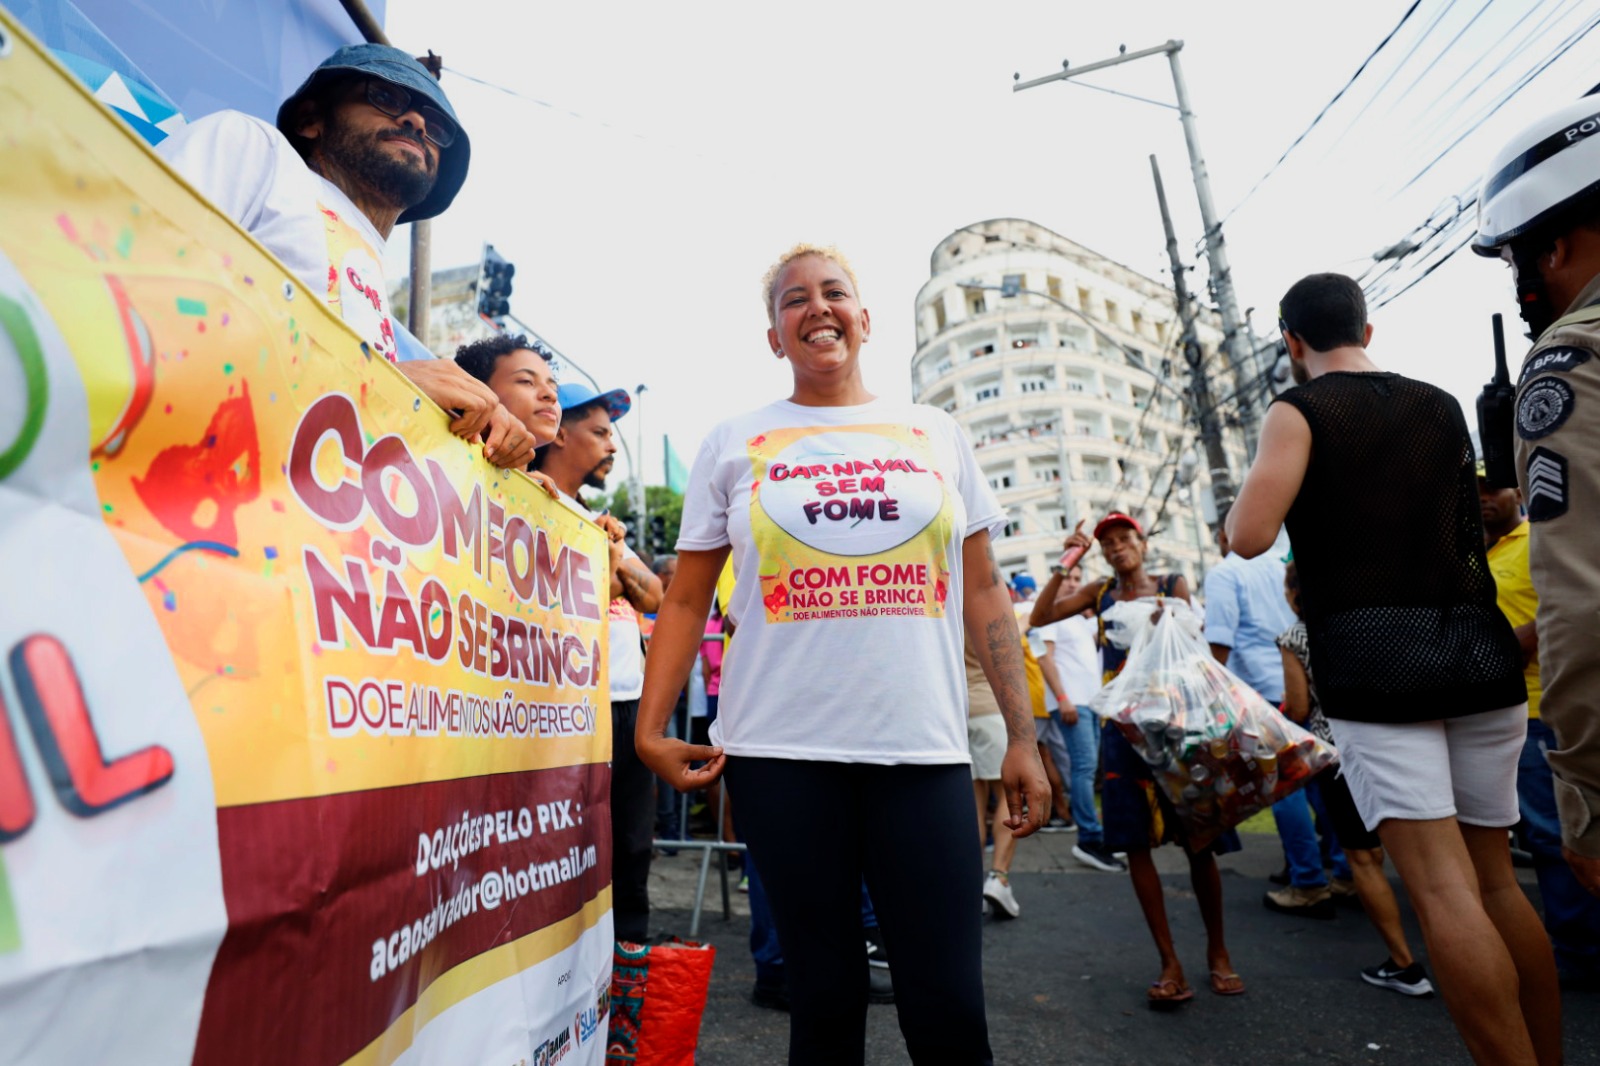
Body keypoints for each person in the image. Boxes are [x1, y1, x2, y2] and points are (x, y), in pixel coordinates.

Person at [637, 243, 1048, 1065]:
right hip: (779, 753)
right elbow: (684, 600)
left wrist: (1023, 735)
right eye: (794, 300)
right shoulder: (734, 441)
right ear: (774, 337)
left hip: (922, 747)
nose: (817, 308)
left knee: (949, 1007)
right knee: (822, 1003)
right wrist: (650, 731)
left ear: (865, 319)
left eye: (834, 293)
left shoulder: (936, 433)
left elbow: (982, 591)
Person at [1226, 273, 1559, 1066]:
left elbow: (1248, 534)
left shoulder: (1299, 409)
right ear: (1367, 330)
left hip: (1378, 665)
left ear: (1292, 342)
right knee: (1497, 882)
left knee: (1442, 890)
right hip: (1478, 652)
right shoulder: (1439, 404)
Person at [158, 44, 534, 471]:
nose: (416, 123)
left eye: (436, 128)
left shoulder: (372, 292)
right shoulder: (253, 148)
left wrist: (484, 461)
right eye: (386, 97)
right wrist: (379, 382)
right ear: (310, 120)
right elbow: (132, 279)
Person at [1031, 513, 1243, 1008]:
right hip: (1122, 735)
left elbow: (1194, 653)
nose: (1116, 547)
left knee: (1199, 843)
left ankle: (1218, 951)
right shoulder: (1101, 593)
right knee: (1135, 846)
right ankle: (1169, 962)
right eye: (1107, 543)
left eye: (1124, 538)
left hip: (1175, 730)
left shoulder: (1172, 585)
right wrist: (1068, 560)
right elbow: (1039, 619)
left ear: (1143, 544)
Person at [1473, 98, 1600, 902]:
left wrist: (1589, 803)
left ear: (1552, 247)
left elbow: (1583, 602)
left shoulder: (1573, 357)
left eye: (1516, 261)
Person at [531, 382, 663, 943]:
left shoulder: (597, 520)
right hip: (571, 710)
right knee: (568, 850)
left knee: (632, 847)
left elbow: (655, 594)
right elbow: (573, 597)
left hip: (627, 707)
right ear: (560, 433)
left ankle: (628, 974)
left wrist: (616, 564)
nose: (612, 446)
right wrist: (612, 573)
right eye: (601, 432)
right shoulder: (530, 499)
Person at [1277, 561, 1435, 997]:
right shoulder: (1375, 624)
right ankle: (1456, 952)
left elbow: (1298, 708)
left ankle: (1404, 964)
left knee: (1364, 860)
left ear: (1296, 593)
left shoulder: (1296, 637)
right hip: (1400, 744)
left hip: (1341, 756)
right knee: (1424, 856)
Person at [1479, 466, 1600, 984]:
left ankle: (1579, 953)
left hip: (1540, 713)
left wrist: (1504, 646)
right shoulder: (1478, 553)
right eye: (1475, 490)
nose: (1483, 498)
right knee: (1535, 836)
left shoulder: (1540, 541)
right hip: (1497, 716)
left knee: (1555, 838)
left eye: (1493, 488)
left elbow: (1565, 609)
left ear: (1518, 492)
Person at [1204, 527, 1331, 918]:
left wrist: (1209, 697)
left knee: (1283, 787)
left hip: (1260, 695)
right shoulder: (1281, 563)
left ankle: (1308, 880)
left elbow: (1219, 643)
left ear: (1224, 537)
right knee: (1319, 782)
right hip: (1304, 683)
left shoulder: (1225, 573)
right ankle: (1342, 869)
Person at [1037, 563, 1126, 873]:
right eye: (1067, 578)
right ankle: (1089, 838)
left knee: (1089, 768)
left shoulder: (1076, 617)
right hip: (1071, 702)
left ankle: (1098, 834)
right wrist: (1062, 698)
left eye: (1078, 578)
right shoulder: (1051, 615)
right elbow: (1044, 658)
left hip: (1090, 702)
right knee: (1084, 767)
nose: (1073, 583)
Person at [1011, 574, 1074, 828]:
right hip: (1048, 695)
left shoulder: (1017, 614)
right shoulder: (1041, 613)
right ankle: (1066, 809)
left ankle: (1058, 811)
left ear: (1015, 591)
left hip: (1031, 701)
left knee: (1042, 759)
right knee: (1058, 757)